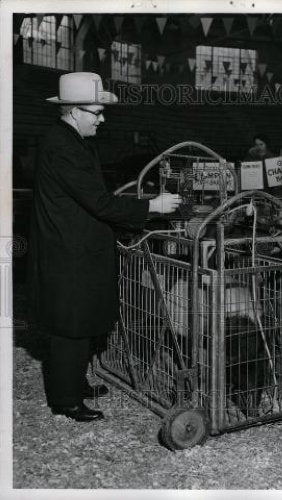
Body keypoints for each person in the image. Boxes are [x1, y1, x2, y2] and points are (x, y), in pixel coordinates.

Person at [28, 72, 182, 422]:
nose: (102, 118)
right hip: (69, 252)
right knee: (71, 326)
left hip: (76, 247)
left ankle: (74, 383)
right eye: (96, 112)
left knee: (81, 320)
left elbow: (94, 198)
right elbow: (98, 202)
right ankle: (65, 399)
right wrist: (152, 207)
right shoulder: (63, 147)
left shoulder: (71, 141)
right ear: (73, 111)